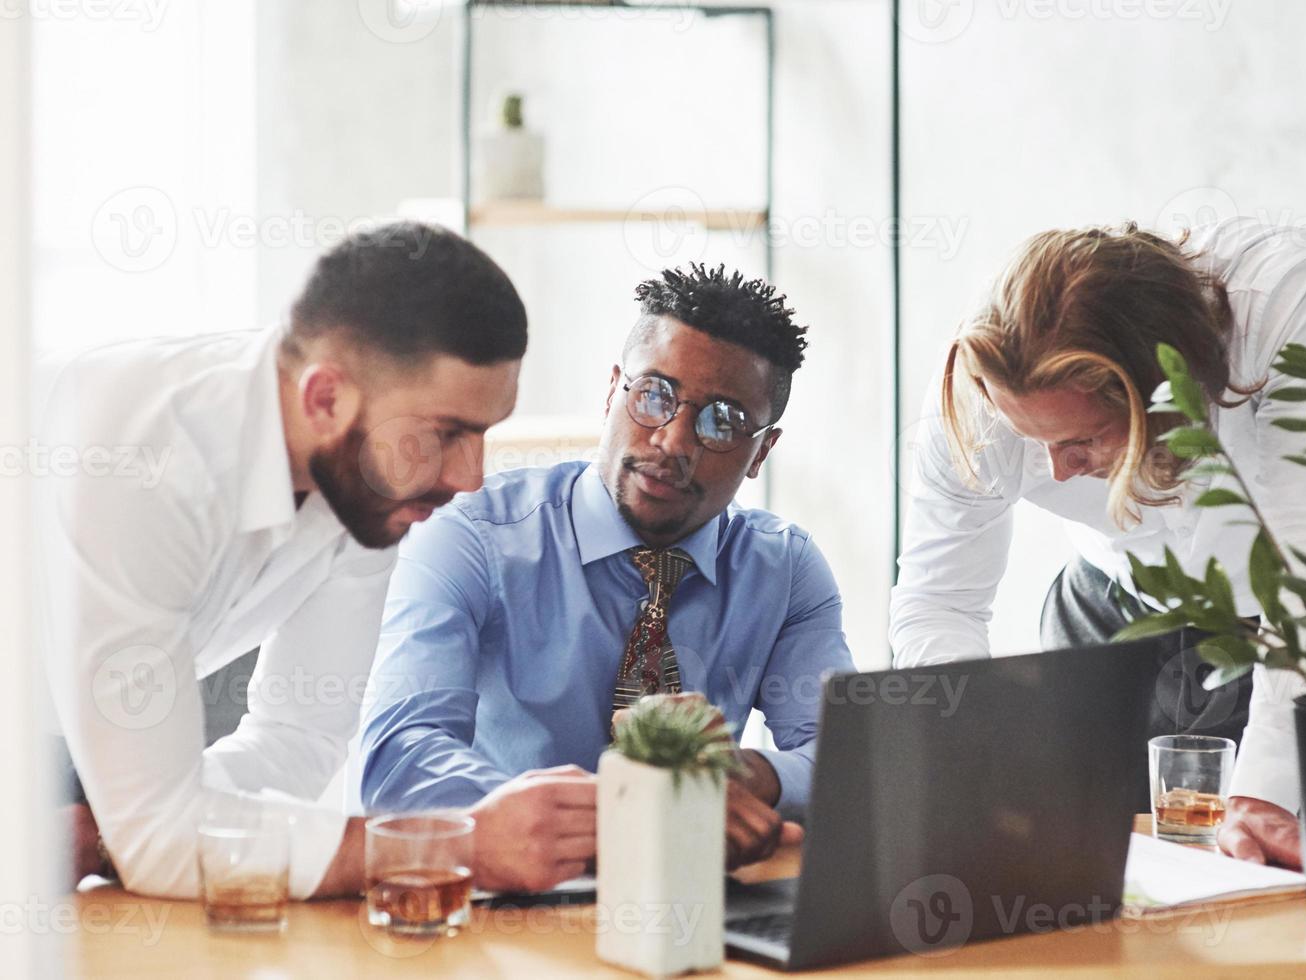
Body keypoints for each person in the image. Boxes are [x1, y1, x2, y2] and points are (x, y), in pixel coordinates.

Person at [41, 222, 596, 899]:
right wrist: (459, 845)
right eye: (447, 432)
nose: (471, 477)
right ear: (325, 398)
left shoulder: (365, 486)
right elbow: (159, 840)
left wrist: (123, 833)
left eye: (483, 434)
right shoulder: (143, 461)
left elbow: (295, 744)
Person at [890, 218, 1306, 869]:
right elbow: (940, 602)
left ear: (1162, 393)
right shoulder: (975, 392)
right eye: (1034, 441)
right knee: (1087, 888)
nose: (1059, 470)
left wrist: (1264, 792)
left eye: (1083, 439)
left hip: (1277, 639)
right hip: (1105, 619)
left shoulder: (1285, 304)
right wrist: (966, 751)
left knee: (1271, 903)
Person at [358, 264, 854, 879]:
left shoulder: (783, 569)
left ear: (762, 453)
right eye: (654, 395)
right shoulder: (469, 536)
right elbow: (397, 762)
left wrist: (749, 775)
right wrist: (622, 814)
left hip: (691, 907)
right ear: (612, 391)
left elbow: (845, 763)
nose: (673, 441)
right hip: (505, 906)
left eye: (722, 421)